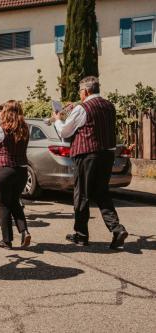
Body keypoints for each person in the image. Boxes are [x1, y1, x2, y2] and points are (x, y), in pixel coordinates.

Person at [54, 76, 128, 249]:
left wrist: (58, 119)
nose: (79, 94)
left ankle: (81, 235)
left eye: (80, 91)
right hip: (107, 154)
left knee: (82, 194)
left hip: (87, 154)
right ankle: (117, 228)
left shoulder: (82, 108)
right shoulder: (109, 105)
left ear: (85, 91)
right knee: (101, 192)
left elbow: (65, 132)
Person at [0, 100, 31, 249]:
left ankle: (7, 240)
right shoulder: (25, 128)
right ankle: (24, 231)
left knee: (4, 205)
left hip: (4, 169)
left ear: (6, 112)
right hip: (22, 170)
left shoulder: (1, 129)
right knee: (14, 201)